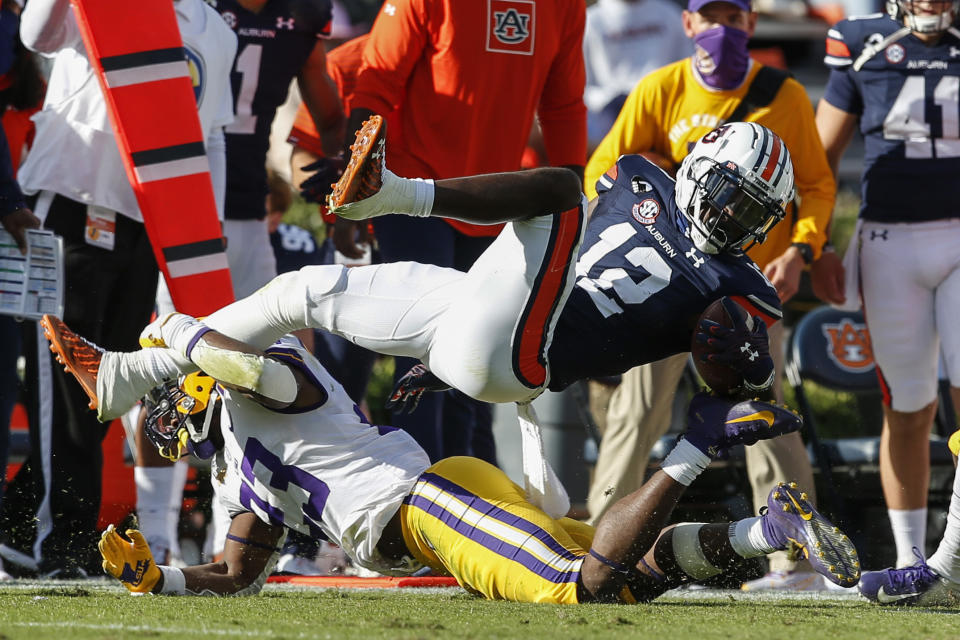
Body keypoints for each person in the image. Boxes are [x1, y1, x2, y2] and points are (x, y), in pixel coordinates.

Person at [41, 313, 861, 599]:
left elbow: (254, 368)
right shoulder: (237, 461)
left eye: (173, 389)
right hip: (437, 509)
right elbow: (238, 571)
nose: (168, 410)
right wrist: (162, 578)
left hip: (425, 505)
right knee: (609, 561)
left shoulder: (269, 379)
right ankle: (764, 532)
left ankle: (700, 437)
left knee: (588, 589)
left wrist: (179, 335)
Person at [581, 0, 843, 590]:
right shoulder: (661, 87)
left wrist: (801, 249)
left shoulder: (785, 94)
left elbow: (819, 183)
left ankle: (793, 562)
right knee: (637, 412)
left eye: (735, 15)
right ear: (688, 23)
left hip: (747, 283)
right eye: (711, 15)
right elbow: (606, 165)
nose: (722, 28)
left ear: (753, 24)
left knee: (761, 417)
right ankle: (595, 545)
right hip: (671, 277)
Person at [4, 0, 235, 578]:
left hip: (146, 222)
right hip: (70, 199)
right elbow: (36, 34)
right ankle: (60, 545)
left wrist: (206, 237)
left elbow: (208, 139)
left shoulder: (216, 28)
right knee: (64, 381)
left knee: (108, 390)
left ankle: (20, 522)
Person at [325, 0, 587, 466]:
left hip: (493, 199)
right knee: (423, 354)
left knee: (480, 357)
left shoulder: (563, 7)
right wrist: (351, 201)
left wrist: (573, 207)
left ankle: (471, 497)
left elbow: (563, 104)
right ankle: (415, 493)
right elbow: (377, 83)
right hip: (412, 190)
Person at [815, 0, 960, 568]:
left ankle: (950, 558)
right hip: (889, 244)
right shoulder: (862, 41)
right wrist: (818, 244)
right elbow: (821, 156)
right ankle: (909, 559)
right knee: (907, 406)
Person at [213, 0, 344, 300]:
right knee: (170, 330)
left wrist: (343, 200)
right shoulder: (192, 9)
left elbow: (331, 123)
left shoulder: (302, 15)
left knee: (267, 331)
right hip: (183, 198)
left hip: (249, 200)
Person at [583, 0, 693, 147]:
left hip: (665, 106)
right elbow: (582, 85)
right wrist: (609, 100)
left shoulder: (669, 13)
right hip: (611, 116)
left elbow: (689, 67)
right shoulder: (591, 20)